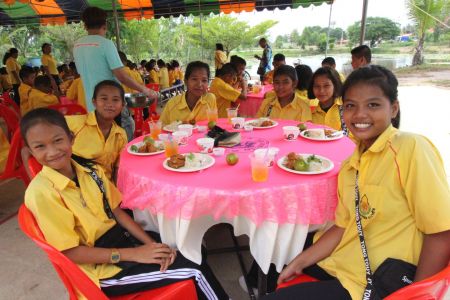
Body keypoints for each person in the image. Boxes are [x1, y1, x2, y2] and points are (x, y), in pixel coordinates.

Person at [264, 65, 450, 300]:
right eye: (351, 106)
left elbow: (441, 233)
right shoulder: (352, 163)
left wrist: (419, 295)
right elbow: (343, 226)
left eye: (373, 105)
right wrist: (298, 262)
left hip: (378, 280)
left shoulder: (411, 148)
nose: (360, 114)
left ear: (393, 109)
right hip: (344, 259)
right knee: (275, 257)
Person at [21, 108, 229, 300]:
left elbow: (117, 212)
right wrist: (134, 254)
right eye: (40, 146)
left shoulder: (91, 171)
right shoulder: (42, 193)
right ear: (30, 150)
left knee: (192, 250)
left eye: (58, 140)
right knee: (195, 269)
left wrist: (149, 244)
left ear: (71, 139)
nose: (52, 151)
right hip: (101, 270)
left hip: (123, 241)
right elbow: (68, 252)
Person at [73, 7, 156, 139]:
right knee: (124, 133)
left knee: (103, 139)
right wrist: (144, 90)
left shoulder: (77, 46)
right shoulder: (106, 44)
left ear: (85, 25)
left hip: (92, 105)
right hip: (111, 103)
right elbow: (121, 76)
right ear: (105, 25)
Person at [66, 80, 127, 182]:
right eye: (104, 99)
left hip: (105, 188)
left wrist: (118, 192)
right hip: (76, 187)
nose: (109, 104)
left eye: (115, 100)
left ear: (122, 105)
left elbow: (117, 168)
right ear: (94, 102)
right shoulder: (75, 123)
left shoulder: (121, 134)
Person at [160, 61, 216, 126]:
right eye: (194, 79)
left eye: (204, 80)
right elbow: (161, 130)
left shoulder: (210, 99)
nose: (200, 84)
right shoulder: (172, 104)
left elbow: (212, 125)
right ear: (186, 81)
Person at [308, 67, 346, 132]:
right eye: (317, 86)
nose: (321, 91)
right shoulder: (308, 109)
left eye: (326, 86)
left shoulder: (346, 107)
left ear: (335, 85)